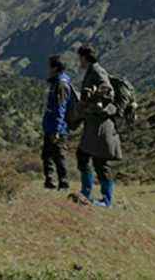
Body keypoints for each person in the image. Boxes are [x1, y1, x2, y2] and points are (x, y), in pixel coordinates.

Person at [74, 45, 122, 208]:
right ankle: (86, 194)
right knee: (84, 156)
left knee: (100, 162)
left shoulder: (97, 71)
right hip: (94, 126)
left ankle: (106, 201)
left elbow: (107, 92)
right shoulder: (93, 70)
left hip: (102, 127)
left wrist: (93, 101)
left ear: (84, 57)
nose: (78, 61)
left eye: (79, 57)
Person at [41, 55, 71, 190]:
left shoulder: (61, 84)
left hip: (57, 127)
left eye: (50, 67)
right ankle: (50, 182)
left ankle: (63, 183)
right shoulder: (56, 82)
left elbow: (61, 108)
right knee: (47, 155)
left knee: (58, 156)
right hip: (51, 125)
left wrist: (57, 130)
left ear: (55, 68)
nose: (48, 70)